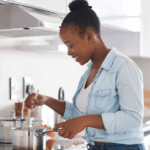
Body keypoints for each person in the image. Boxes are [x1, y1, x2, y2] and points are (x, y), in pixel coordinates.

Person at [25, 0, 146, 149]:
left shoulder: (124, 67)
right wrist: (46, 100)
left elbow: (133, 118)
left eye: (71, 45)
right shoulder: (89, 72)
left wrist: (85, 121)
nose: (69, 52)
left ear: (89, 36)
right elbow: (78, 114)